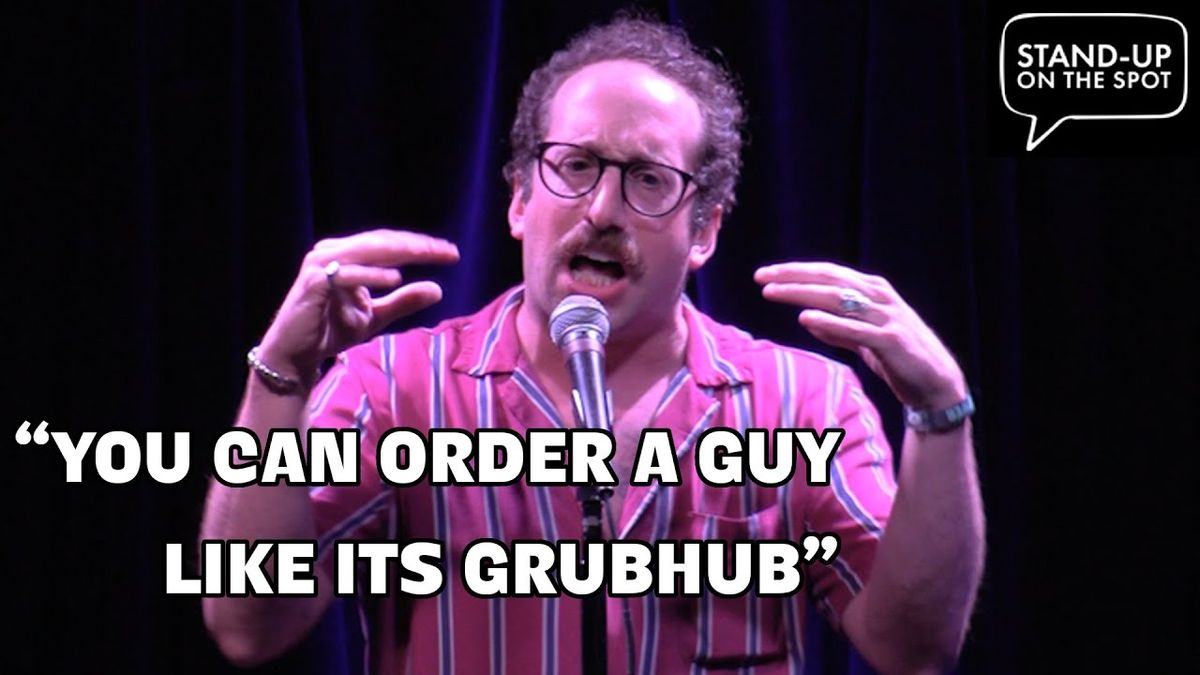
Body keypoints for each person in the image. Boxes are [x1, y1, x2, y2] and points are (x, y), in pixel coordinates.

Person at [201, 15, 984, 675]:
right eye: (574, 166)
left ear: (705, 229)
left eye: (647, 179)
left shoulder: (803, 404)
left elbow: (913, 648)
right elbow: (246, 622)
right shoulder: (393, 387)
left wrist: (940, 412)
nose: (603, 208)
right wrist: (280, 378)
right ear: (519, 199)